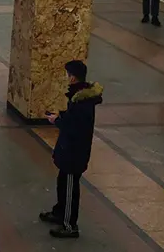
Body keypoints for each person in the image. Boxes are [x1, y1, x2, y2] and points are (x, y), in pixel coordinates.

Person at [40, 60, 103, 239]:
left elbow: (75, 127)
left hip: (74, 153)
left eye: (67, 74)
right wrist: (61, 116)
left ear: (73, 77)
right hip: (69, 150)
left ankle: (69, 225)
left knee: (69, 189)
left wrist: (58, 121)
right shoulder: (79, 96)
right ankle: (59, 212)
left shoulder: (82, 102)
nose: (65, 77)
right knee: (63, 183)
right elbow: (73, 119)